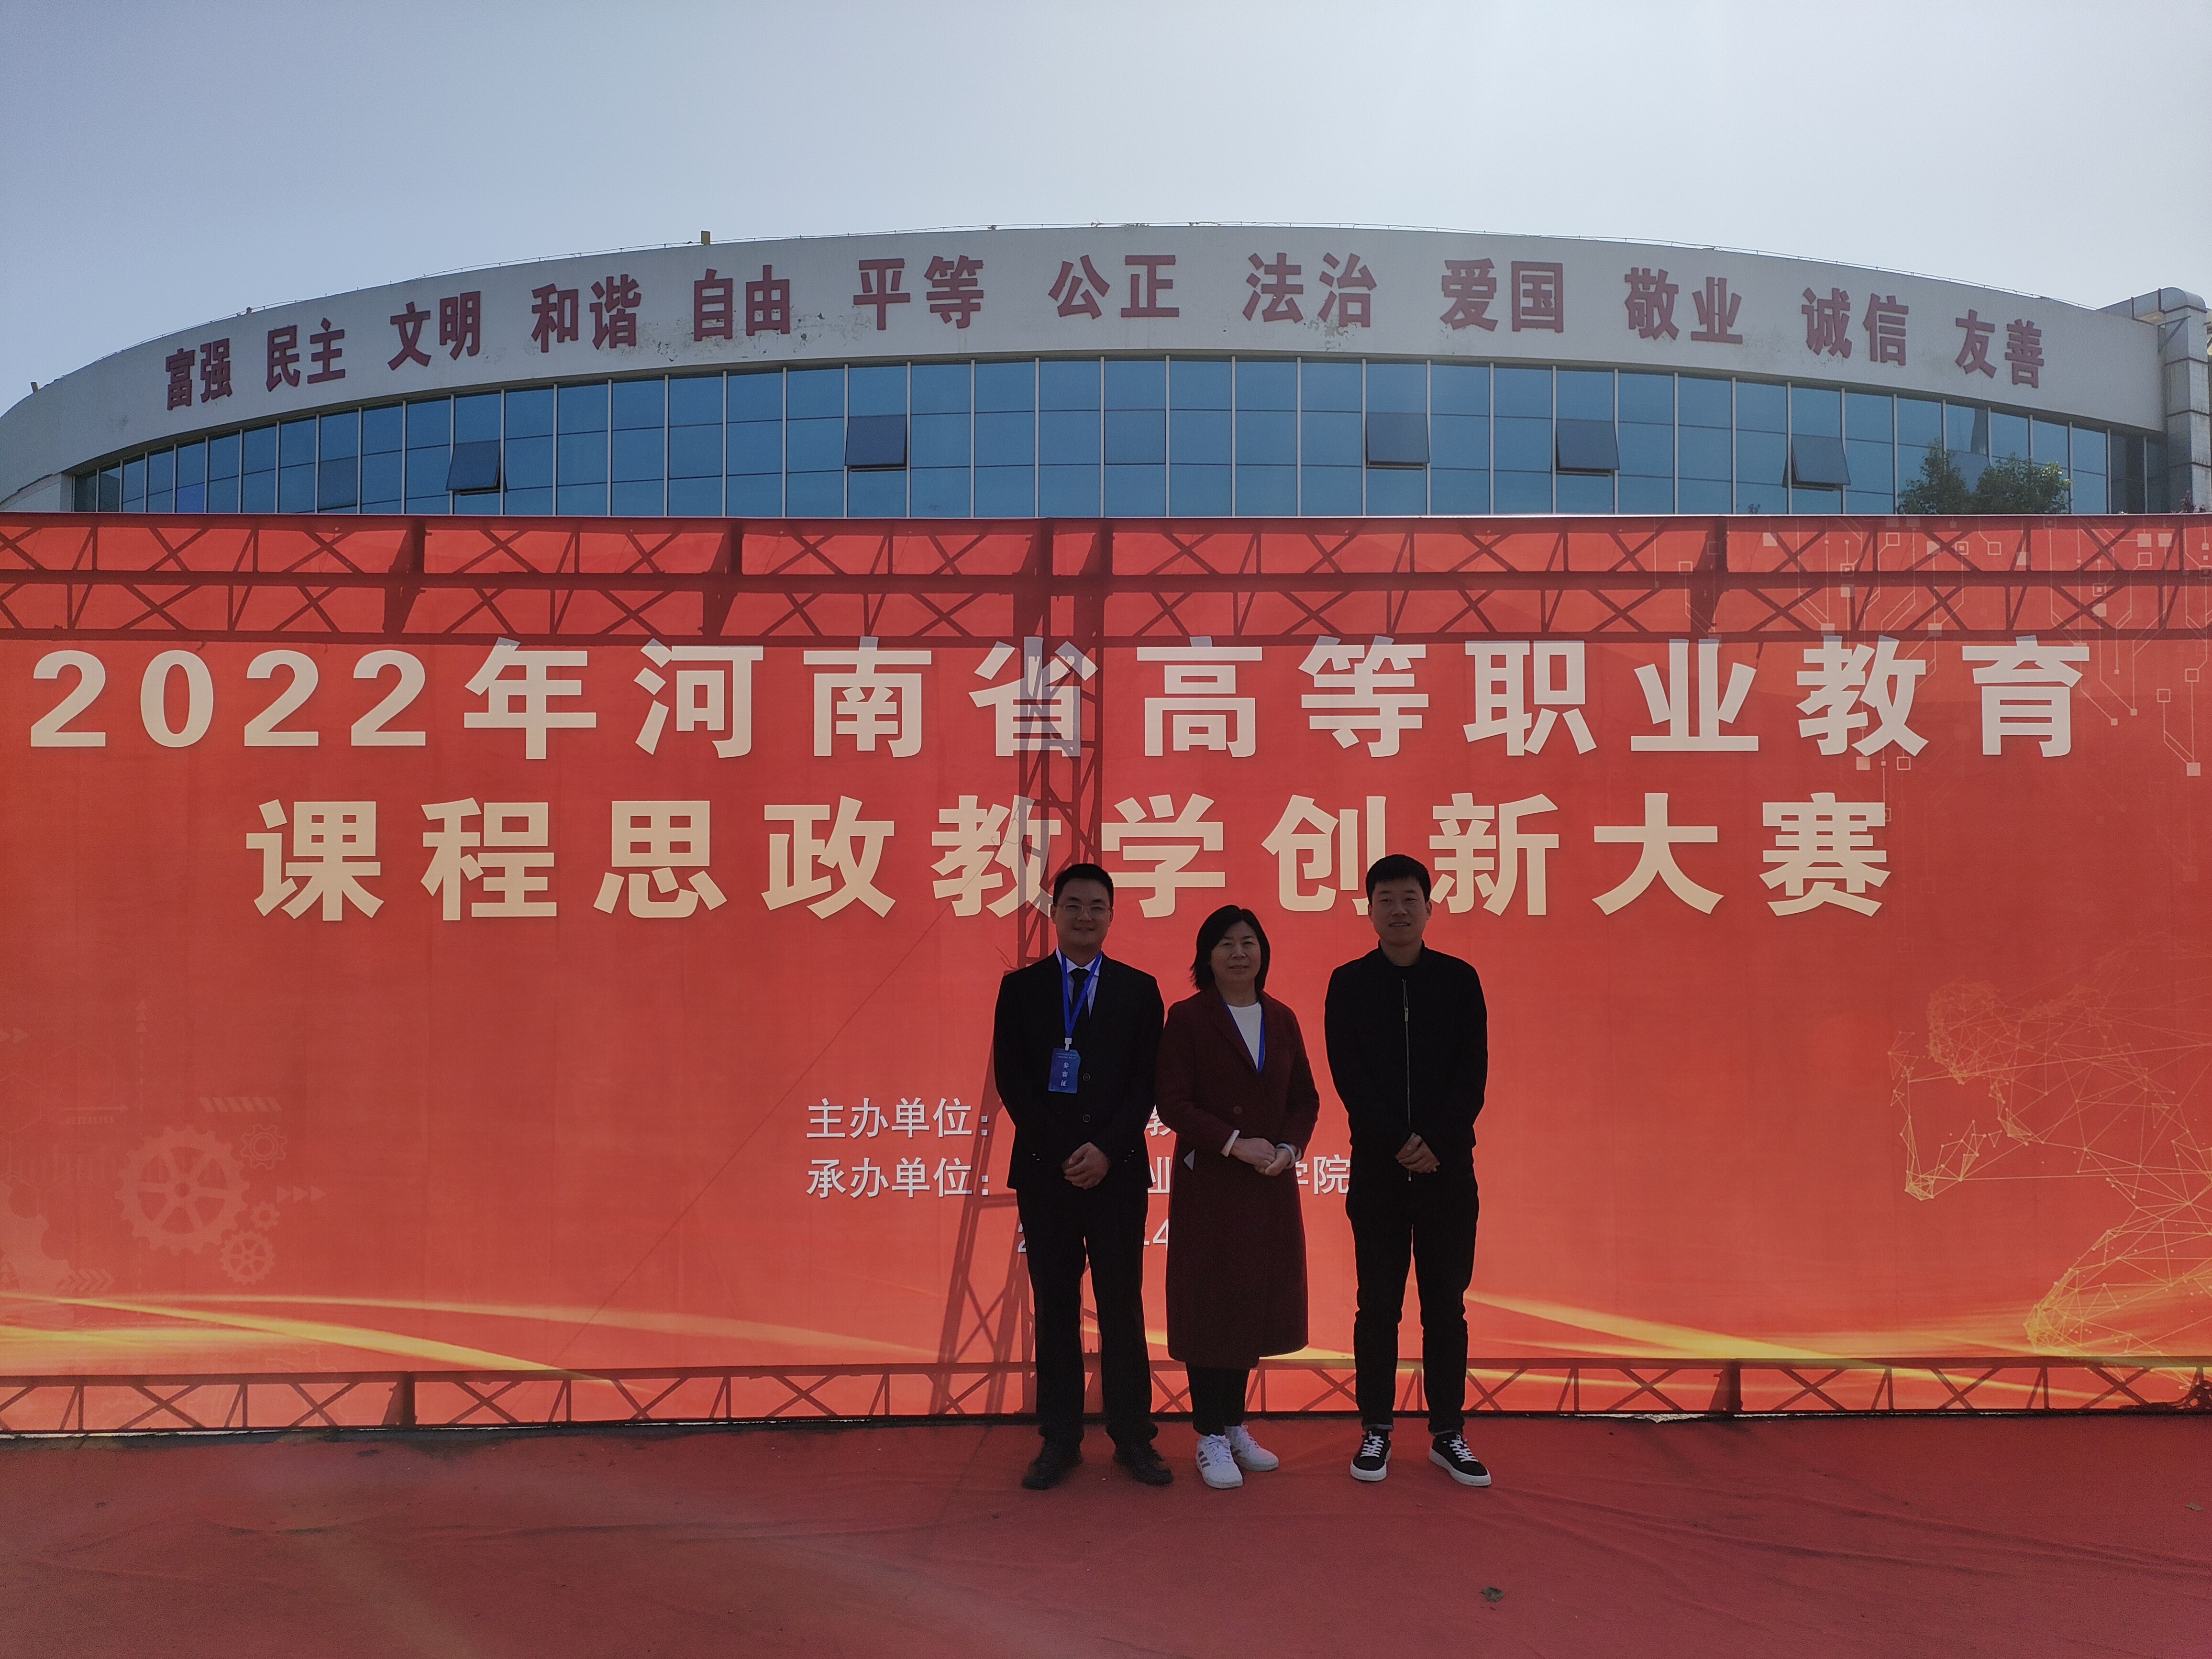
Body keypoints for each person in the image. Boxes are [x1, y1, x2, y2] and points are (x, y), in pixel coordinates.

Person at [991, 863, 1172, 1490]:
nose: (1085, 916)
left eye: (1097, 906)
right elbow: (1013, 1082)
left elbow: (1147, 1083)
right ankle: (1059, 1438)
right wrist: (1069, 1151)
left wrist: (1105, 1150)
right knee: (1055, 1305)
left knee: (1122, 1304)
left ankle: (1134, 1437)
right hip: (1047, 1174)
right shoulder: (1021, 989)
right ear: (1054, 912)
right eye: (1073, 905)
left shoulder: (1140, 990)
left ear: (1112, 915)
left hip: (1116, 1174)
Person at [1323, 853, 1492, 1489]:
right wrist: (1398, 1141)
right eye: (1386, 900)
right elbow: (1348, 1076)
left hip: (1448, 1171)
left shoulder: (1459, 980)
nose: (1398, 910)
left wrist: (1434, 1142)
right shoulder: (1348, 982)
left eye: (1409, 899)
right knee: (1378, 1307)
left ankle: (1449, 1433)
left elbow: (1472, 1074)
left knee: (1445, 1306)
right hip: (1379, 1171)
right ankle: (1376, 1429)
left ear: (1429, 908)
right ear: (1370, 911)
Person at [1154, 905, 1320, 1490]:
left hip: (1268, 1184)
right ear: (1207, 956)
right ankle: (1208, 1433)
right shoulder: (1188, 1017)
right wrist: (1232, 1142)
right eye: (1225, 943)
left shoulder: (1282, 1017)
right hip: (1211, 1183)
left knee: (1251, 1302)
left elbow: (1305, 1099)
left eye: (1249, 942)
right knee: (1209, 1305)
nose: (1239, 953)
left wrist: (1288, 1149)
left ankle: (1233, 1424)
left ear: (1263, 953)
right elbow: (1172, 1102)